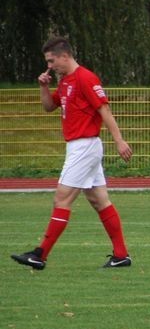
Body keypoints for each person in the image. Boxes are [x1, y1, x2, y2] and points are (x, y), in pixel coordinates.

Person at [11, 36, 133, 270]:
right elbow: (49, 107)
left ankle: (40, 254)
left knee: (62, 198)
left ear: (64, 56)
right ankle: (121, 255)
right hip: (79, 146)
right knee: (99, 200)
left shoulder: (85, 78)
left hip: (84, 145)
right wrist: (43, 86)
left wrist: (119, 140)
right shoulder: (66, 81)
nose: (49, 65)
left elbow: (104, 109)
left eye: (51, 60)